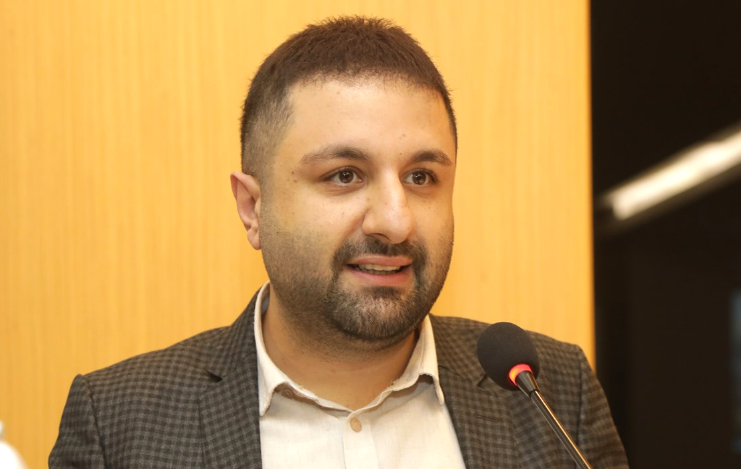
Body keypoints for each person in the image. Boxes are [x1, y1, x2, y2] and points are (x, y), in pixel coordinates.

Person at [50, 16, 628, 468]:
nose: (395, 222)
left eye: (421, 176)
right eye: (345, 175)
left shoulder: (550, 394)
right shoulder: (119, 425)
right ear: (252, 208)